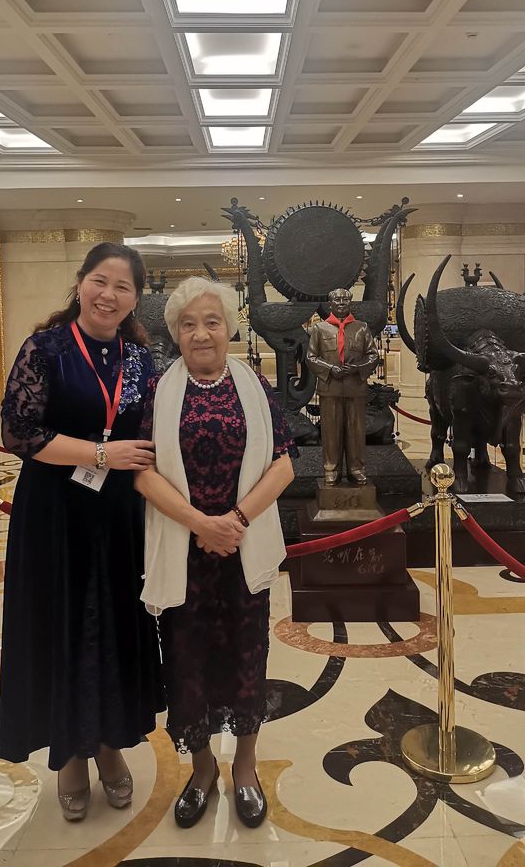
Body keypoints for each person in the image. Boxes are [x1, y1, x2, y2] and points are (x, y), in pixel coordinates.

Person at [0, 242, 164, 822]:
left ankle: (110, 743)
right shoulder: (46, 348)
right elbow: (19, 431)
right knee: (61, 626)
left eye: (122, 287)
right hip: (54, 514)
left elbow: (155, 432)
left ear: (135, 299)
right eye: (100, 281)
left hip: (118, 516)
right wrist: (99, 453)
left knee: (114, 627)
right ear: (80, 281)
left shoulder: (139, 360)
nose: (108, 295)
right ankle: (69, 754)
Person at [135, 278, 297, 829]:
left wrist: (236, 522)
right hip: (183, 553)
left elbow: (284, 463)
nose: (201, 333)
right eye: (189, 324)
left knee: (247, 661)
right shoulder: (158, 391)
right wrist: (201, 524)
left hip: (241, 550)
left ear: (230, 328)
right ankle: (202, 769)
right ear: (176, 334)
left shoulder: (255, 385)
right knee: (187, 664)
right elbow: (142, 473)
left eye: (212, 322)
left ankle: (245, 768)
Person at [306, 287, 379, 486]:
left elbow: (373, 355)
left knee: (356, 431)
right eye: (337, 300)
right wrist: (330, 368)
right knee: (331, 432)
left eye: (345, 300)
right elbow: (311, 357)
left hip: (355, 387)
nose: (341, 303)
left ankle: (357, 469)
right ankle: (331, 469)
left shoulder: (361, 328)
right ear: (330, 304)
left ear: (350, 303)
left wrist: (357, 368)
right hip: (330, 387)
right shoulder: (319, 329)